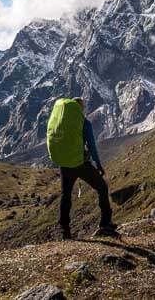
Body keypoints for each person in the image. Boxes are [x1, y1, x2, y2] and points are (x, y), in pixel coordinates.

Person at [48, 97, 116, 240]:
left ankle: (64, 229)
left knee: (66, 194)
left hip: (65, 164)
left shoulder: (61, 123)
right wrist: (98, 164)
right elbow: (91, 145)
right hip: (81, 164)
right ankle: (105, 223)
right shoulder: (84, 123)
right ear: (80, 108)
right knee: (102, 187)